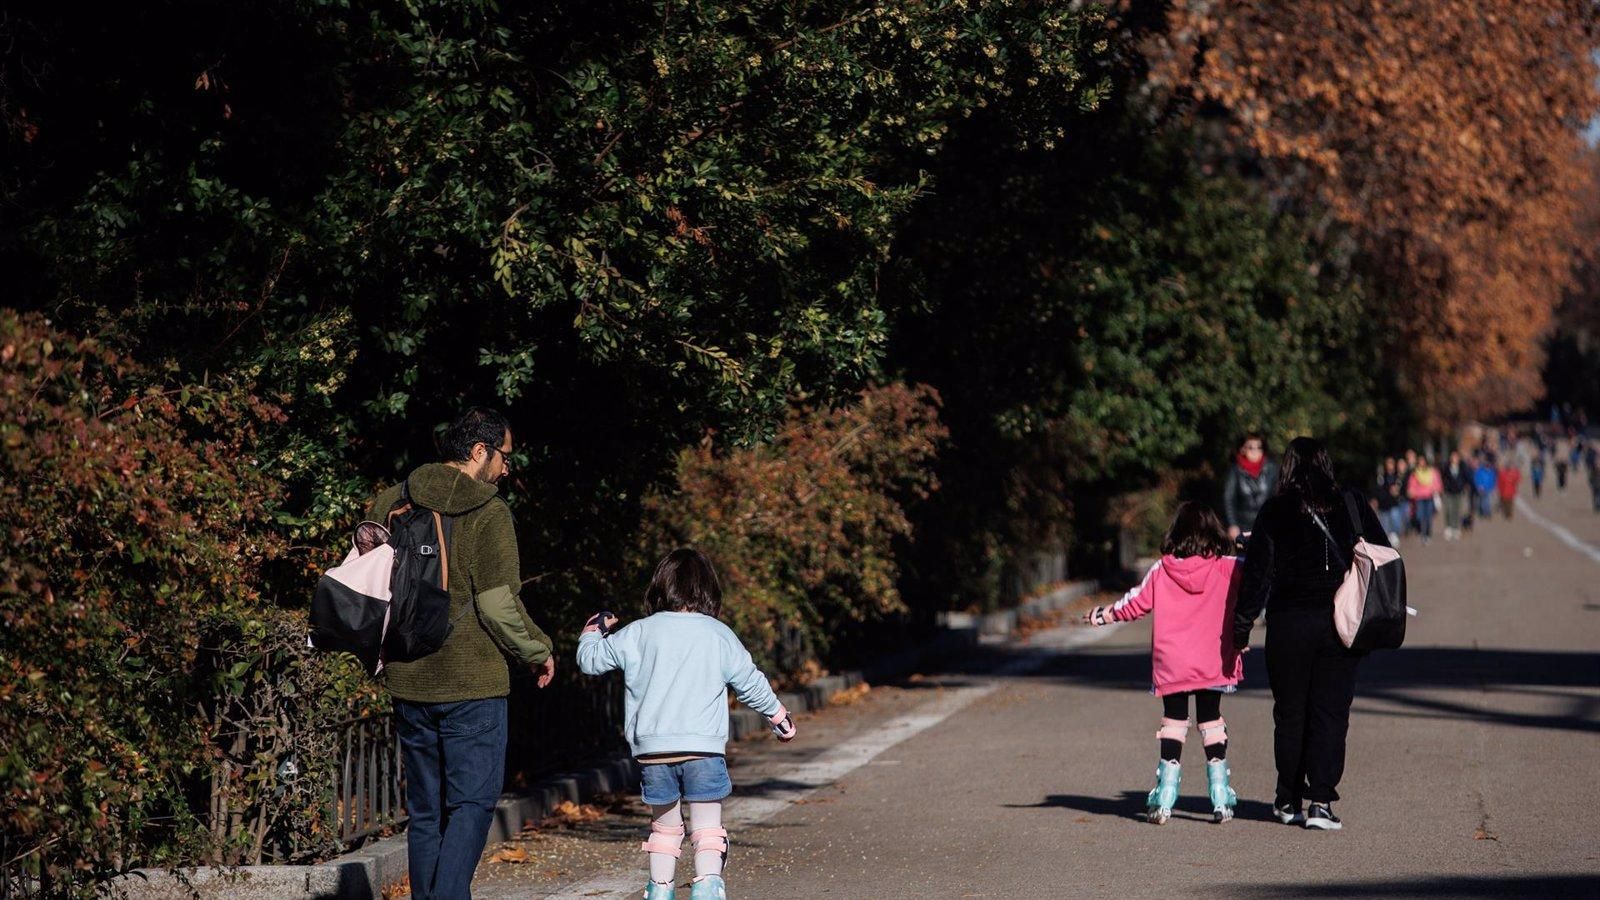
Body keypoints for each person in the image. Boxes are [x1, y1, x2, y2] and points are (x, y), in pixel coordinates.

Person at [368, 407, 557, 900]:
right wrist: (539, 651)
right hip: (472, 683)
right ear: (479, 453)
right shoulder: (489, 511)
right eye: (504, 456)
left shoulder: (394, 499)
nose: (506, 468)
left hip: (409, 678)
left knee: (426, 811)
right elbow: (497, 605)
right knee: (472, 805)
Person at [577, 549, 797, 900]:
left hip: (653, 752)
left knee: (664, 828)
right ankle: (708, 887)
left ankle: (660, 890)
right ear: (708, 590)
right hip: (703, 749)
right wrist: (778, 716)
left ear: (659, 589)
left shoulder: (638, 633)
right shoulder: (717, 634)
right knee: (708, 829)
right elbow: (749, 681)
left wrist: (593, 630)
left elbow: (590, 661)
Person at [1233, 436, 1391, 832]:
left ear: (1286, 468)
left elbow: (1257, 576)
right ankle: (1321, 800)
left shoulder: (1274, 511)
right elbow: (1383, 552)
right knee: (1330, 713)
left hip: (1288, 623)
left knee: (1290, 713)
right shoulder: (1351, 503)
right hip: (1341, 623)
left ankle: (1288, 799)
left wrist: (1241, 627)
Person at [1081, 502, 1245, 825]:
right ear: (1213, 532)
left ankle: (1165, 794)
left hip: (1174, 661)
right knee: (1211, 721)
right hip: (1213, 658)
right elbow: (1262, 570)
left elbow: (1134, 603)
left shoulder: (1162, 569)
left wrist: (1102, 615)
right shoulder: (1228, 567)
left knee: (1173, 721)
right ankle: (1221, 794)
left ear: (1176, 533)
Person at [1223, 434, 1280, 543]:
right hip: (1242, 526)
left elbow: (1277, 497)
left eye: (1259, 447)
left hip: (1266, 525)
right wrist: (1232, 524)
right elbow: (1228, 498)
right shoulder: (1235, 470)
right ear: (1242, 449)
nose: (1255, 451)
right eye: (1251, 447)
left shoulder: (1272, 469)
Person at [1405, 455, 1442, 545]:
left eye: (1423, 461)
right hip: (1419, 498)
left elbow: (1437, 483)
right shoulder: (1415, 473)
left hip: (1429, 497)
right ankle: (1423, 534)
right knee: (1420, 516)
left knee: (1428, 516)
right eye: (1420, 461)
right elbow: (1411, 484)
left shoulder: (1432, 472)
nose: (1421, 463)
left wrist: (1436, 489)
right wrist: (1411, 491)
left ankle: (1427, 534)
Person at [1440, 451, 1471, 541]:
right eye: (1453, 457)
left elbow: (1467, 477)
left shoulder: (1462, 467)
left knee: (1457, 510)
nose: (1454, 459)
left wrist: (1466, 485)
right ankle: (1448, 528)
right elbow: (1442, 477)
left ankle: (1456, 528)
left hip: (1459, 492)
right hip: (1448, 492)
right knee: (1448, 509)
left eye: (1456, 457)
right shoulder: (1446, 467)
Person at [1374, 458, 1405, 545]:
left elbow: (1401, 488)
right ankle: (1387, 542)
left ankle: (1394, 535)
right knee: (1385, 525)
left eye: (1392, 463)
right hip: (1384, 505)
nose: (1390, 465)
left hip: (1394, 503)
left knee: (1396, 521)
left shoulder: (1397, 476)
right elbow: (1378, 490)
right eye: (1389, 463)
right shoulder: (1382, 477)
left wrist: (1397, 491)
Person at [1473, 455, 1499, 521]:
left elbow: (1493, 479)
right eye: (1486, 464)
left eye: (1488, 465)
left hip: (1489, 489)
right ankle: (1484, 513)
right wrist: (1479, 486)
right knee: (1482, 501)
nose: (1488, 466)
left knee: (1487, 501)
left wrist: (1493, 487)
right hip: (1481, 489)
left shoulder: (1491, 472)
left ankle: (1487, 513)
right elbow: (1476, 479)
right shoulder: (1480, 471)